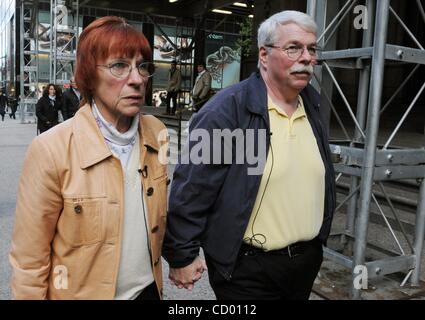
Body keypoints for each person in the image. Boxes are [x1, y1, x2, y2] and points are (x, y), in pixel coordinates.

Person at [163, 10, 336, 300]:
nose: (307, 58)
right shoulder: (230, 111)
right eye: (294, 48)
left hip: (305, 263)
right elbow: (193, 187)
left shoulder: (313, 105)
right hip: (249, 272)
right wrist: (182, 254)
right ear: (264, 55)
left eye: (312, 49)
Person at [10, 16, 168, 300]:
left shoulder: (158, 133)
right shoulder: (51, 149)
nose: (136, 79)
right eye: (119, 65)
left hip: (148, 292)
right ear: (89, 76)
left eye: (142, 66)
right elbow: (29, 261)